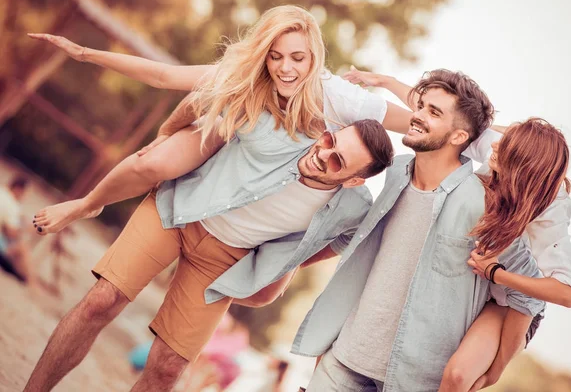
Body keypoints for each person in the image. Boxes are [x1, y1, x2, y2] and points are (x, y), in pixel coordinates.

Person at [24, 119, 396, 392]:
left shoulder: (353, 208)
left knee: (169, 367)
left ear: (353, 180)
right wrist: (168, 133)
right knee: (102, 300)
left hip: (223, 263)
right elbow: (213, 98)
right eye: (330, 140)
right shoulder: (284, 130)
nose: (322, 154)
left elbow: (347, 239)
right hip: (180, 212)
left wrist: (293, 262)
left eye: (337, 161)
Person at [28, 5, 416, 235]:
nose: (285, 69)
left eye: (297, 58)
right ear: (264, 54)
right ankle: (84, 205)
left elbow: (416, 123)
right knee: (155, 161)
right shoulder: (246, 75)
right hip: (231, 133)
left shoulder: (340, 96)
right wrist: (84, 53)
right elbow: (163, 76)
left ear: (314, 57)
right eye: (275, 56)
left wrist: (387, 81)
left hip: (271, 168)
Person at [291, 69, 545, 392]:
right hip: (342, 364)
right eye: (421, 105)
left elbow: (531, 294)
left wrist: (495, 369)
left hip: (412, 381)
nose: (418, 116)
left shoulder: (485, 206)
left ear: (458, 137)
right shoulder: (395, 175)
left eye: (433, 112)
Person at [343, 67, 571, 391]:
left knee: (461, 377)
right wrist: (384, 82)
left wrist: (498, 274)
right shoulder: (498, 148)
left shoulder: (551, 207)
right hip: (479, 281)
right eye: (500, 141)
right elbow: (441, 115)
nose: (494, 148)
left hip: (515, 301)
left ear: (523, 167)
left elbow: (565, 294)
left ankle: (494, 371)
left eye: (505, 149)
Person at [0, 176, 34, 284]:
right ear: (19, 189)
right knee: (23, 248)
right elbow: (11, 233)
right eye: (25, 194)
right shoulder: (11, 204)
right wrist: (27, 229)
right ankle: (28, 280)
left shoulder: (3, 192)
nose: (24, 197)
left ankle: (22, 276)